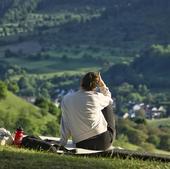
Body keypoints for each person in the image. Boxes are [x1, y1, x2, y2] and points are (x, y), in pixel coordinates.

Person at [59, 72, 115, 150]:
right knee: (107, 103)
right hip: (103, 142)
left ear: (81, 83)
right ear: (95, 86)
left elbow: (65, 122)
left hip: (81, 144)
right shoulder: (97, 97)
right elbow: (109, 99)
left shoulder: (66, 99)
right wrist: (102, 85)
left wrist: (62, 142)